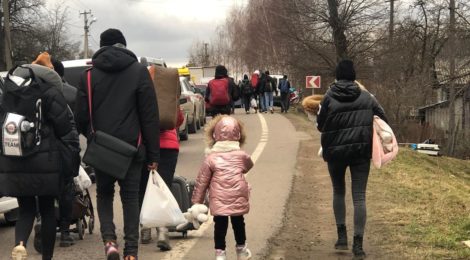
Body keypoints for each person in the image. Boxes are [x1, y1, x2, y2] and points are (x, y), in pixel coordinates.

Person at [75, 28, 160, 260]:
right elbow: (150, 116)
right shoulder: (139, 72)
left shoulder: (88, 76)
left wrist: (93, 137)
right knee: (130, 197)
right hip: (133, 149)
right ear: (123, 45)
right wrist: (153, 154)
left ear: (102, 46)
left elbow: (81, 116)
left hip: (102, 149)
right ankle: (131, 252)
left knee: (103, 194)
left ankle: (110, 241)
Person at [1, 53, 80, 260]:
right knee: (46, 210)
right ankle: (47, 258)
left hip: (15, 160)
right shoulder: (50, 92)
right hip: (45, 162)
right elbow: (64, 128)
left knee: (26, 209)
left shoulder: (9, 94)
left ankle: (19, 244)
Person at [316, 60, 387, 259]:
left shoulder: (328, 97)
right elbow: (383, 118)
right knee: (359, 196)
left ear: (337, 76)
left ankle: (341, 239)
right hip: (360, 152)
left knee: (338, 191)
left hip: (335, 153)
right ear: (354, 76)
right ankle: (358, 246)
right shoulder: (367, 97)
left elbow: (320, 126)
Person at [192, 115, 254, 260]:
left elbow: (202, 181)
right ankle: (241, 250)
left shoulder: (211, 158)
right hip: (238, 194)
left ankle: (220, 253)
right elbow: (248, 166)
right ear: (238, 135)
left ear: (214, 134)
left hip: (218, 196)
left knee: (220, 224)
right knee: (238, 222)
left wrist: (197, 201)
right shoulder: (242, 156)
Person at [139, 108, 184, 251]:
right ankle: (163, 231)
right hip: (168, 146)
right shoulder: (167, 89)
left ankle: (145, 227)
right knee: (164, 187)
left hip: (144, 144)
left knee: (143, 187)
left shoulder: (138, 88)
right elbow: (179, 119)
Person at [51, 58, 79, 248]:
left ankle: (43, 223)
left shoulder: (31, 92)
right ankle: (66, 233)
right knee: (66, 189)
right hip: (66, 149)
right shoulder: (70, 93)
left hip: (38, 151)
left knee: (42, 190)